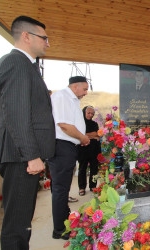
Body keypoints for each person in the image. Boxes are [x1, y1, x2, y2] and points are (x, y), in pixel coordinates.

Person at [0, 16, 55, 249]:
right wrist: (31, 155)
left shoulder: (26, 66)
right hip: (21, 158)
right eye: (44, 38)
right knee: (17, 227)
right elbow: (17, 115)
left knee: (22, 223)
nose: (48, 43)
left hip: (22, 157)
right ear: (26, 36)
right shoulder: (15, 63)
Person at [47, 76, 90, 240]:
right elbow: (64, 125)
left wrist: (80, 138)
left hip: (68, 146)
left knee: (63, 188)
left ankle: (65, 223)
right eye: (84, 89)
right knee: (60, 189)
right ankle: (59, 229)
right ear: (75, 86)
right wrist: (83, 138)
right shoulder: (62, 97)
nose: (86, 93)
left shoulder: (72, 99)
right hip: (62, 146)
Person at [78, 106, 101, 196]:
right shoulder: (79, 123)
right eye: (89, 113)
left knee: (94, 168)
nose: (90, 115)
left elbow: (97, 135)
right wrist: (92, 135)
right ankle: (82, 187)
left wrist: (87, 135)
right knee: (82, 168)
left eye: (92, 113)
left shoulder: (94, 124)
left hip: (94, 149)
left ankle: (93, 186)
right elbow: (80, 135)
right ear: (84, 112)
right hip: (83, 149)